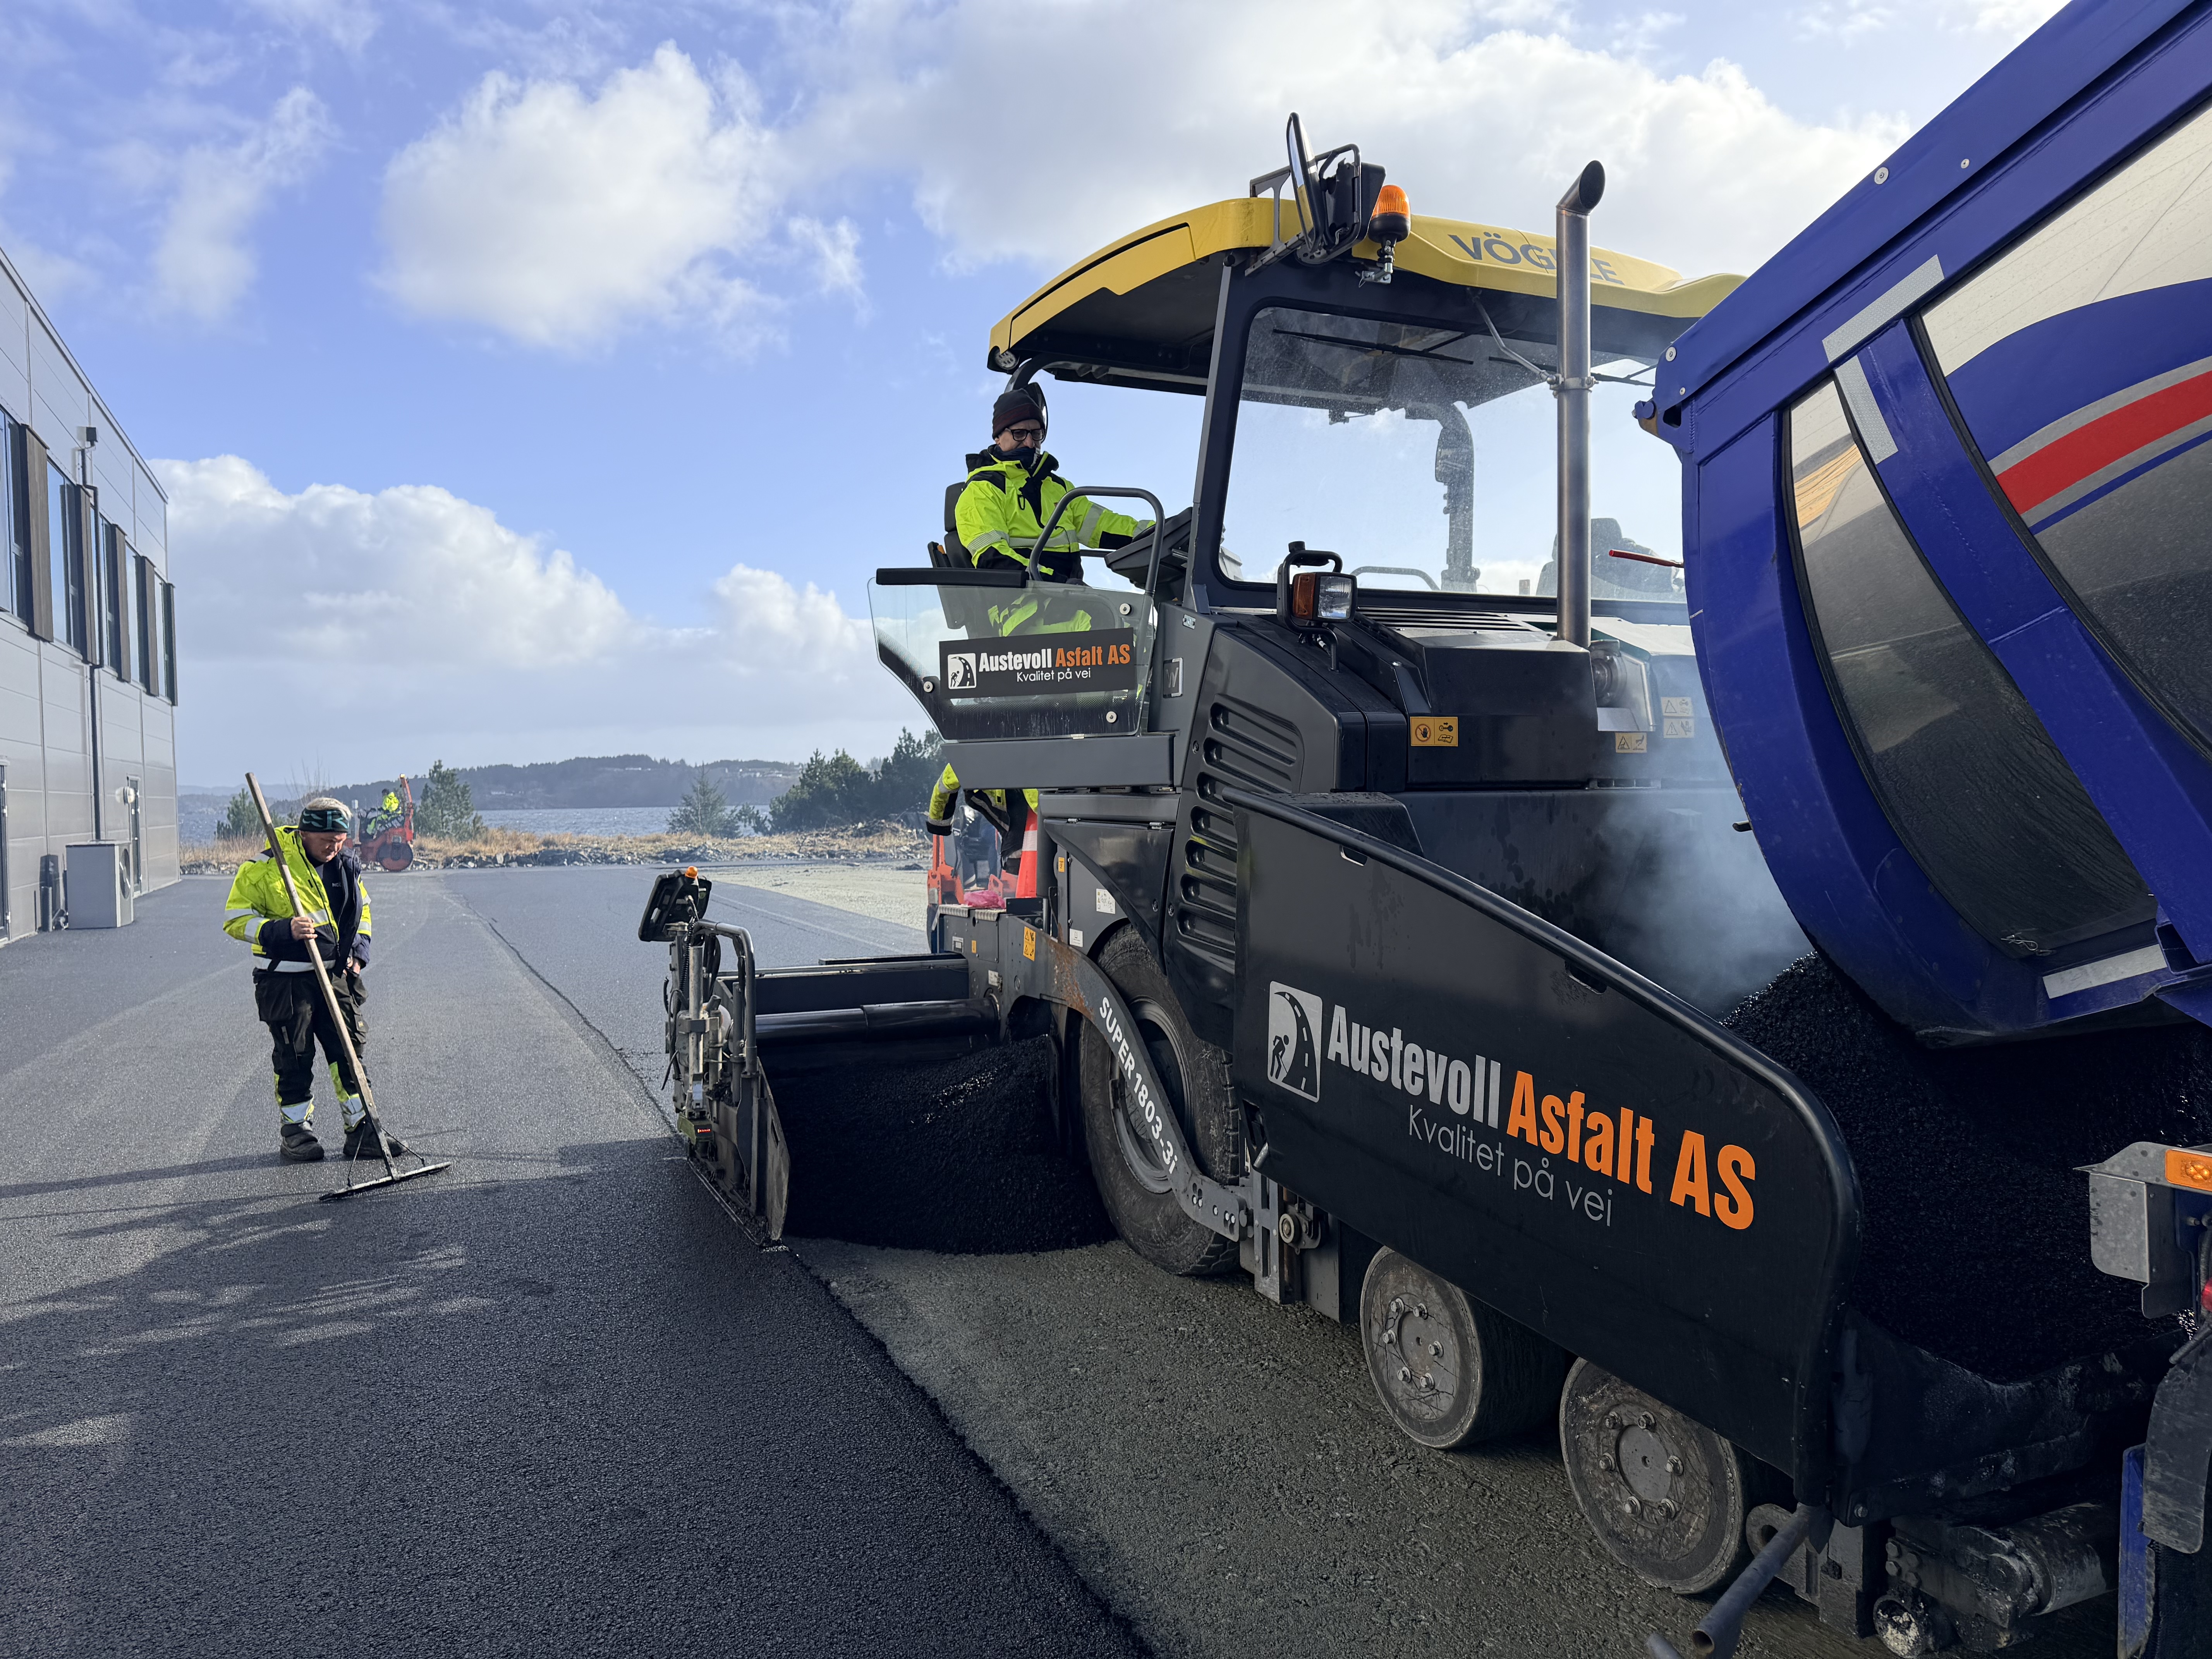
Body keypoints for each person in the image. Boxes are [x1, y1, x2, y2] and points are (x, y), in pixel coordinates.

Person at [928, 383, 1155, 835]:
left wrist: (1159, 529)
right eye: (1022, 434)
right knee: (1108, 630)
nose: (1031, 443)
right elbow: (991, 558)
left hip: (1068, 606)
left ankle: (1109, 755)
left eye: (1037, 434)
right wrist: (1048, 587)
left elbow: (1108, 527)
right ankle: (1064, 806)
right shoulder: (982, 493)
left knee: (1141, 630)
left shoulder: (1061, 491)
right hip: (1015, 614)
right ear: (1000, 436)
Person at [222, 797, 402, 1163]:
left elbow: (362, 909)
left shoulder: (346, 865)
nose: (333, 848)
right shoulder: (266, 868)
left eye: (339, 840)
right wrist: (281, 929)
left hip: (336, 976)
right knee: (295, 1055)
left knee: (349, 1051)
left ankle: (362, 1130)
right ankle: (296, 1132)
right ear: (304, 833)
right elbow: (235, 920)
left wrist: (358, 953)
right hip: (286, 982)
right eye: (325, 841)